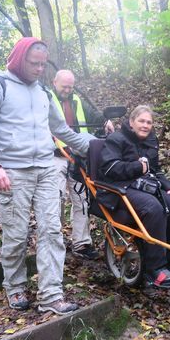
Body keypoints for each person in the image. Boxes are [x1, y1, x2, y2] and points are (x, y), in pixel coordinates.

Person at [0, 37, 95, 315]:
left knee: (52, 230)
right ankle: (15, 287)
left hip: (47, 170)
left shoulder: (43, 93)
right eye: (34, 63)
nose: (39, 69)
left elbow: (62, 131)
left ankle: (51, 295)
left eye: (42, 64)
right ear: (19, 58)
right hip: (12, 172)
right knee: (16, 234)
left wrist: (96, 145)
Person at [97, 105, 170, 289]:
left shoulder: (150, 140)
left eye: (149, 122)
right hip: (118, 188)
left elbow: (155, 170)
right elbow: (108, 168)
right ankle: (154, 268)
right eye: (141, 121)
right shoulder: (116, 139)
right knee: (153, 207)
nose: (145, 125)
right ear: (131, 122)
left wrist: (169, 187)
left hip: (143, 186)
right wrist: (136, 167)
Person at [50, 69, 114, 261]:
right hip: (55, 157)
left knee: (82, 200)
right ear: (54, 82)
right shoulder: (45, 100)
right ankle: (53, 240)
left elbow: (93, 114)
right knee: (55, 200)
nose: (67, 90)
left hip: (78, 157)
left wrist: (105, 121)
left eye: (70, 87)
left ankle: (81, 243)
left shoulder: (76, 100)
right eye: (64, 86)